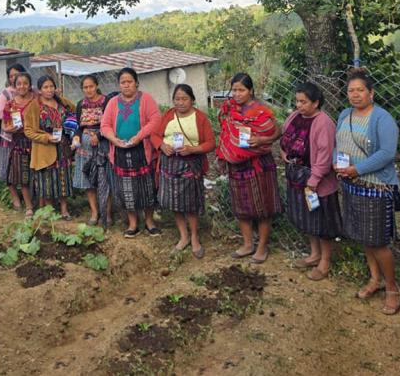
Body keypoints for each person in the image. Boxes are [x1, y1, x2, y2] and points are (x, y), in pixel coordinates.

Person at [335, 68, 400, 315]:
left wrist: (357, 169)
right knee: (365, 236)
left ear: (371, 93)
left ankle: (392, 288)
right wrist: (339, 164)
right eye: (351, 90)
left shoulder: (382, 118)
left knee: (378, 241)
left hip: (376, 187)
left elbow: (386, 154)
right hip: (351, 185)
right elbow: (338, 143)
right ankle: (375, 279)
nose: (355, 95)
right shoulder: (345, 114)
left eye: (360, 90)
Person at [280, 82, 342, 281]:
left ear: (316, 103)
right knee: (308, 218)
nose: (299, 106)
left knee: (322, 221)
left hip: (317, 181)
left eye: (304, 102)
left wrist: (314, 179)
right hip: (297, 177)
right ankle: (314, 254)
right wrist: (284, 153)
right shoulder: (295, 117)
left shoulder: (323, 123)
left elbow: (324, 155)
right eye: (297, 101)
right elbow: (285, 136)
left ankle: (325, 260)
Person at [217, 73, 282, 264]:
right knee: (241, 207)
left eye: (241, 90)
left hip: (259, 166)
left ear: (251, 91)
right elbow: (225, 131)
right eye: (234, 90)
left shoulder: (261, 111)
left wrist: (262, 140)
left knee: (263, 207)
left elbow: (276, 130)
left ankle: (262, 247)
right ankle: (247, 244)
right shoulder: (229, 109)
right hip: (237, 166)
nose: (237, 94)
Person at [151, 84, 216, 258]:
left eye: (184, 99)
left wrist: (193, 149)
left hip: (190, 164)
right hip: (169, 164)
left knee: (190, 203)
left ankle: (195, 237)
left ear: (192, 100)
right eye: (177, 99)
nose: (180, 102)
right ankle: (183, 236)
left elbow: (210, 143)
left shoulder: (200, 118)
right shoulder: (168, 115)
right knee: (174, 202)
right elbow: (155, 135)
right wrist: (163, 146)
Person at [100, 68, 162, 237]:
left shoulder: (146, 99)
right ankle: (133, 224)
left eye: (129, 81)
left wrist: (139, 136)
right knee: (127, 189)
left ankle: (149, 221)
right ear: (119, 85)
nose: (126, 85)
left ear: (136, 82)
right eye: (123, 82)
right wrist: (114, 139)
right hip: (120, 151)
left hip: (142, 150)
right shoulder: (113, 102)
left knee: (147, 187)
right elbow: (104, 125)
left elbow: (156, 120)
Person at [24, 75, 76, 219]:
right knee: (47, 181)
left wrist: (60, 97)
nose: (49, 90)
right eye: (45, 87)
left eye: (51, 86)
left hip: (62, 146)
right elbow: (28, 131)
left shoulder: (61, 103)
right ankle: (50, 210)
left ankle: (64, 210)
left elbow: (74, 109)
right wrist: (46, 137)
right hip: (45, 148)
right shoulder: (34, 106)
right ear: (39, 90)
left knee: (63, 177)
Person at [72, 75, 107, 225]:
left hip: (102, 144)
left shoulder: (106, 102)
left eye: (91, 86)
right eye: (85, 87)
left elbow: (110, 124)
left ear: (97, 85)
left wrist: (99, 135)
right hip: (85, 147)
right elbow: (79, 128)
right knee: (88, 181)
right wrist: (76, 137)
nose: (88, 90)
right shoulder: (81, 104)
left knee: (103, 180)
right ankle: (94, 212)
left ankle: (107, 213)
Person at [2, 72, 35, 214]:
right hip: (18, 142)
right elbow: (4, 125)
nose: (22, 86)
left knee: (38, 173)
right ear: (14, 86)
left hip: (36, 141)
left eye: (25, 83)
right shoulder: (10, 104)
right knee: (22, 175)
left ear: (30, 85)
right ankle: (29, 207)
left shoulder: (36, 101)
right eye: (19, 84)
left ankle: (42, 203)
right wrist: (9, 129)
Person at [0, 63, 29, 206]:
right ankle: (15, 198)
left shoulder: (33, 93)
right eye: (11, 76)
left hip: (27, 138)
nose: (14, 78)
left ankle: (28, 198)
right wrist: (8, 127)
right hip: (9, 137)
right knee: (9, 167)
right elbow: (0, 116)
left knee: (25, 169)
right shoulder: (6, 95)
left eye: (16, 74)